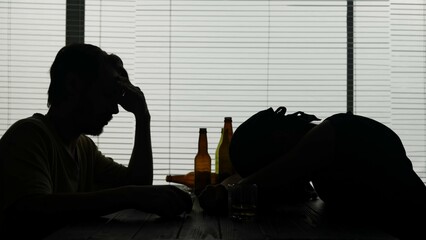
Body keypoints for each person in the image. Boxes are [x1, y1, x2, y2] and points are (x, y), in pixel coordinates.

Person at [0, 43, 192, 239]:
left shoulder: (83, 148)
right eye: (107, 94)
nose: (115, 109)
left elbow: (139, 184)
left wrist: (142, 117)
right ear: (73, 85)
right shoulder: (29, 135)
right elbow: (32, 212)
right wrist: (129, 195)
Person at [204, 107, 426, 240]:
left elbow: (272, 175)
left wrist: (228, 191)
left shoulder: (333, 131)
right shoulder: (317, 163)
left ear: (279, 139)